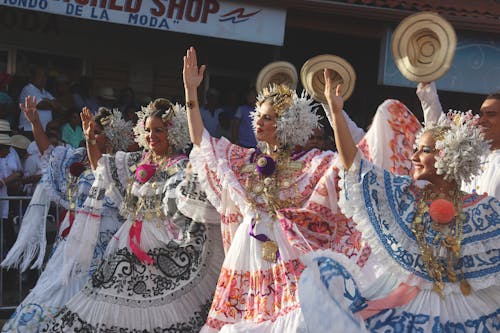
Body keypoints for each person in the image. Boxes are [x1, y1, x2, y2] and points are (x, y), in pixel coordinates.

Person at [183, 47, 389, 332]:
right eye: (260, 115)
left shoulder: (312, 163)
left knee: (293, 320)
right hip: (248, 249)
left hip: (288, 249)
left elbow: (351, 163)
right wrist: (191, 93)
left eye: (268, 117)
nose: (259, 121)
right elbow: (201, 140)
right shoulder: (246, 159)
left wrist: (335, 111)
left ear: (287, 124)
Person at [298, 70, 500, 332]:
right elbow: (356, 167)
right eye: (415, 148)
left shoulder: (485, 210)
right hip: (409, 309)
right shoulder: (406, 195)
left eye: (424, 150)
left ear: (448, 157)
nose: (414, 156)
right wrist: (335, 112)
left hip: (466, 311)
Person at [43, 98, 224, 332]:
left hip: (161, 245)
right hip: (130, 241)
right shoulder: (138, 160)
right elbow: (101, 166)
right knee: (107, 295)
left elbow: (188, 208)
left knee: (154, 310)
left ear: (174, 132)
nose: (151, 135)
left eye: (158, 130)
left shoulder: (180, 166)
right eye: (147, 130)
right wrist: (89, 138)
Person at [1, 100, 132, 333]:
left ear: (112, 138)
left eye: (98, 132)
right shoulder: (79, 158)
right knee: (54, 289)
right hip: (73, 239)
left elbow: (105, 176)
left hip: (103, 241)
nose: (91, 134)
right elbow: (49, 154)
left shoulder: (119, 166)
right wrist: (35, 124)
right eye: (91, 130)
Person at [417, 82, 500, 198]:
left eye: (491, 114)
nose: (482, 120)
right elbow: (439, 131)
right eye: (481, 114)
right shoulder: (470, 150)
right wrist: (427, 85)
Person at [18, 66, 62, 134]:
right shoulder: (28, 88)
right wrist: (50, 103)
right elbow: (40, 105)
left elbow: (58, 105)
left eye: (44, 76)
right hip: (29, 129)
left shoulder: (45, 92)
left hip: (44, 131)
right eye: (39, 75)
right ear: (32, 78)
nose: (43, 78)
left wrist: (46, 101)